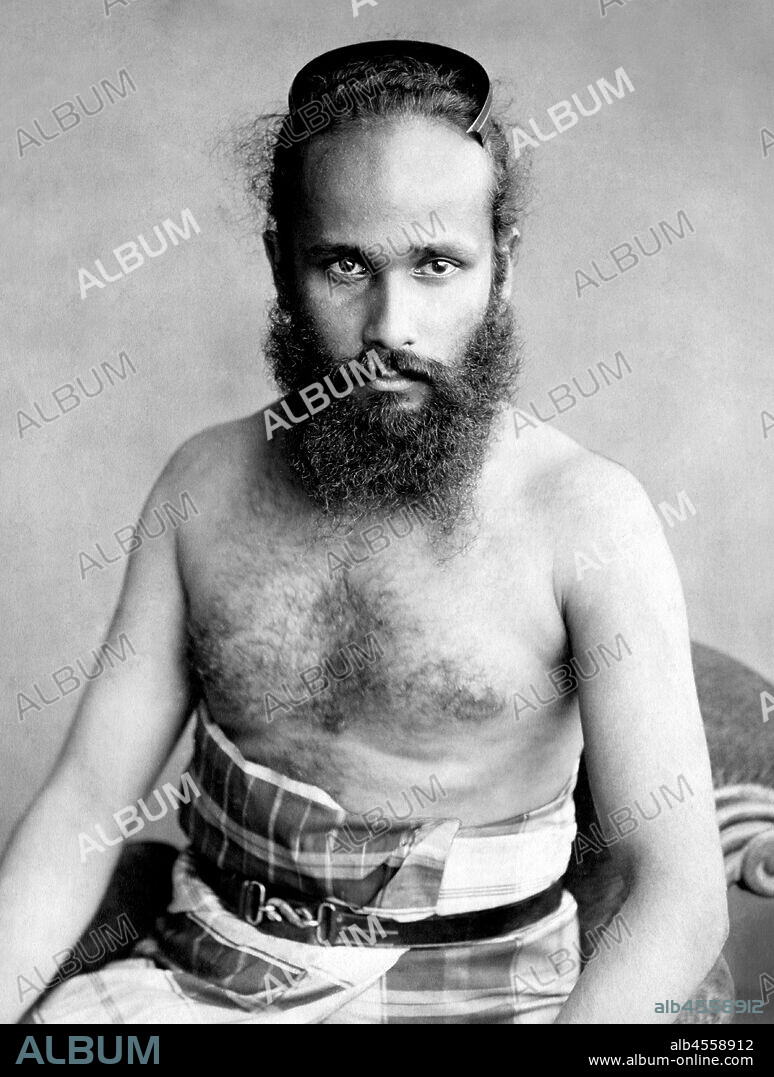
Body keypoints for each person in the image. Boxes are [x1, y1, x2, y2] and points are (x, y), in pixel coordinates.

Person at [0, 40, 728, 1025]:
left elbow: (677, 896)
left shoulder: (589, 518)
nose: (394, 325)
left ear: (501, 268)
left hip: (492, 1005)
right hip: (208, 979)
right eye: (345, 264)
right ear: (279, 263)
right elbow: (88, 805)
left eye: (438, 264)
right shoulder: (202, 488)